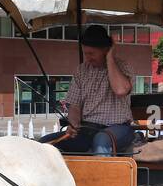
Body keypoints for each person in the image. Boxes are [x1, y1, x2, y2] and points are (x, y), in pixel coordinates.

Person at [45, 24, 137, 156]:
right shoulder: (82, 70)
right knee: (45, 143)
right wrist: (73, 124)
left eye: (91, 53)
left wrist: (110, 58)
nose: (88, 57)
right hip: (87, 128)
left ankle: (101, 177)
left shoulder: (123, 67)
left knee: (101, 140)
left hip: (118, 128)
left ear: (106, 50)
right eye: (85, 53)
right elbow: (75, 105)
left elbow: (120, 90)